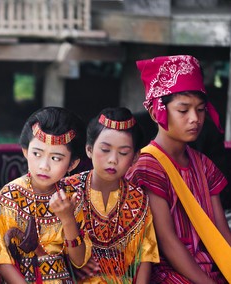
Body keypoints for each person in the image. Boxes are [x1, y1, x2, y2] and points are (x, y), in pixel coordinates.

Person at [126, 55, 231, 283]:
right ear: (156, 113)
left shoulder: (204, 165)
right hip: (167, 273)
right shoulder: (147, 166)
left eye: (201, 110)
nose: (195, 119)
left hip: (212, 267)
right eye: (183, 111)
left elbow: (221, 230)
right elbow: (167, 241)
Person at [0, 106, 91, 283]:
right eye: (37, 153)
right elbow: (1, 258)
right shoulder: (11, 194)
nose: (44, 165)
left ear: (72, 164)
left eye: (56, 158)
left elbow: (79, 260)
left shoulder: (72, 196)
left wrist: (67, 218)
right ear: (25, 152)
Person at [65, 107, 159, 283]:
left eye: (123, 153)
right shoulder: (68, 190)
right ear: (89, 149)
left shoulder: (138, 199)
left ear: (135, 157)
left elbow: (144, 259)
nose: (113, 160)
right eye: (105, 150)